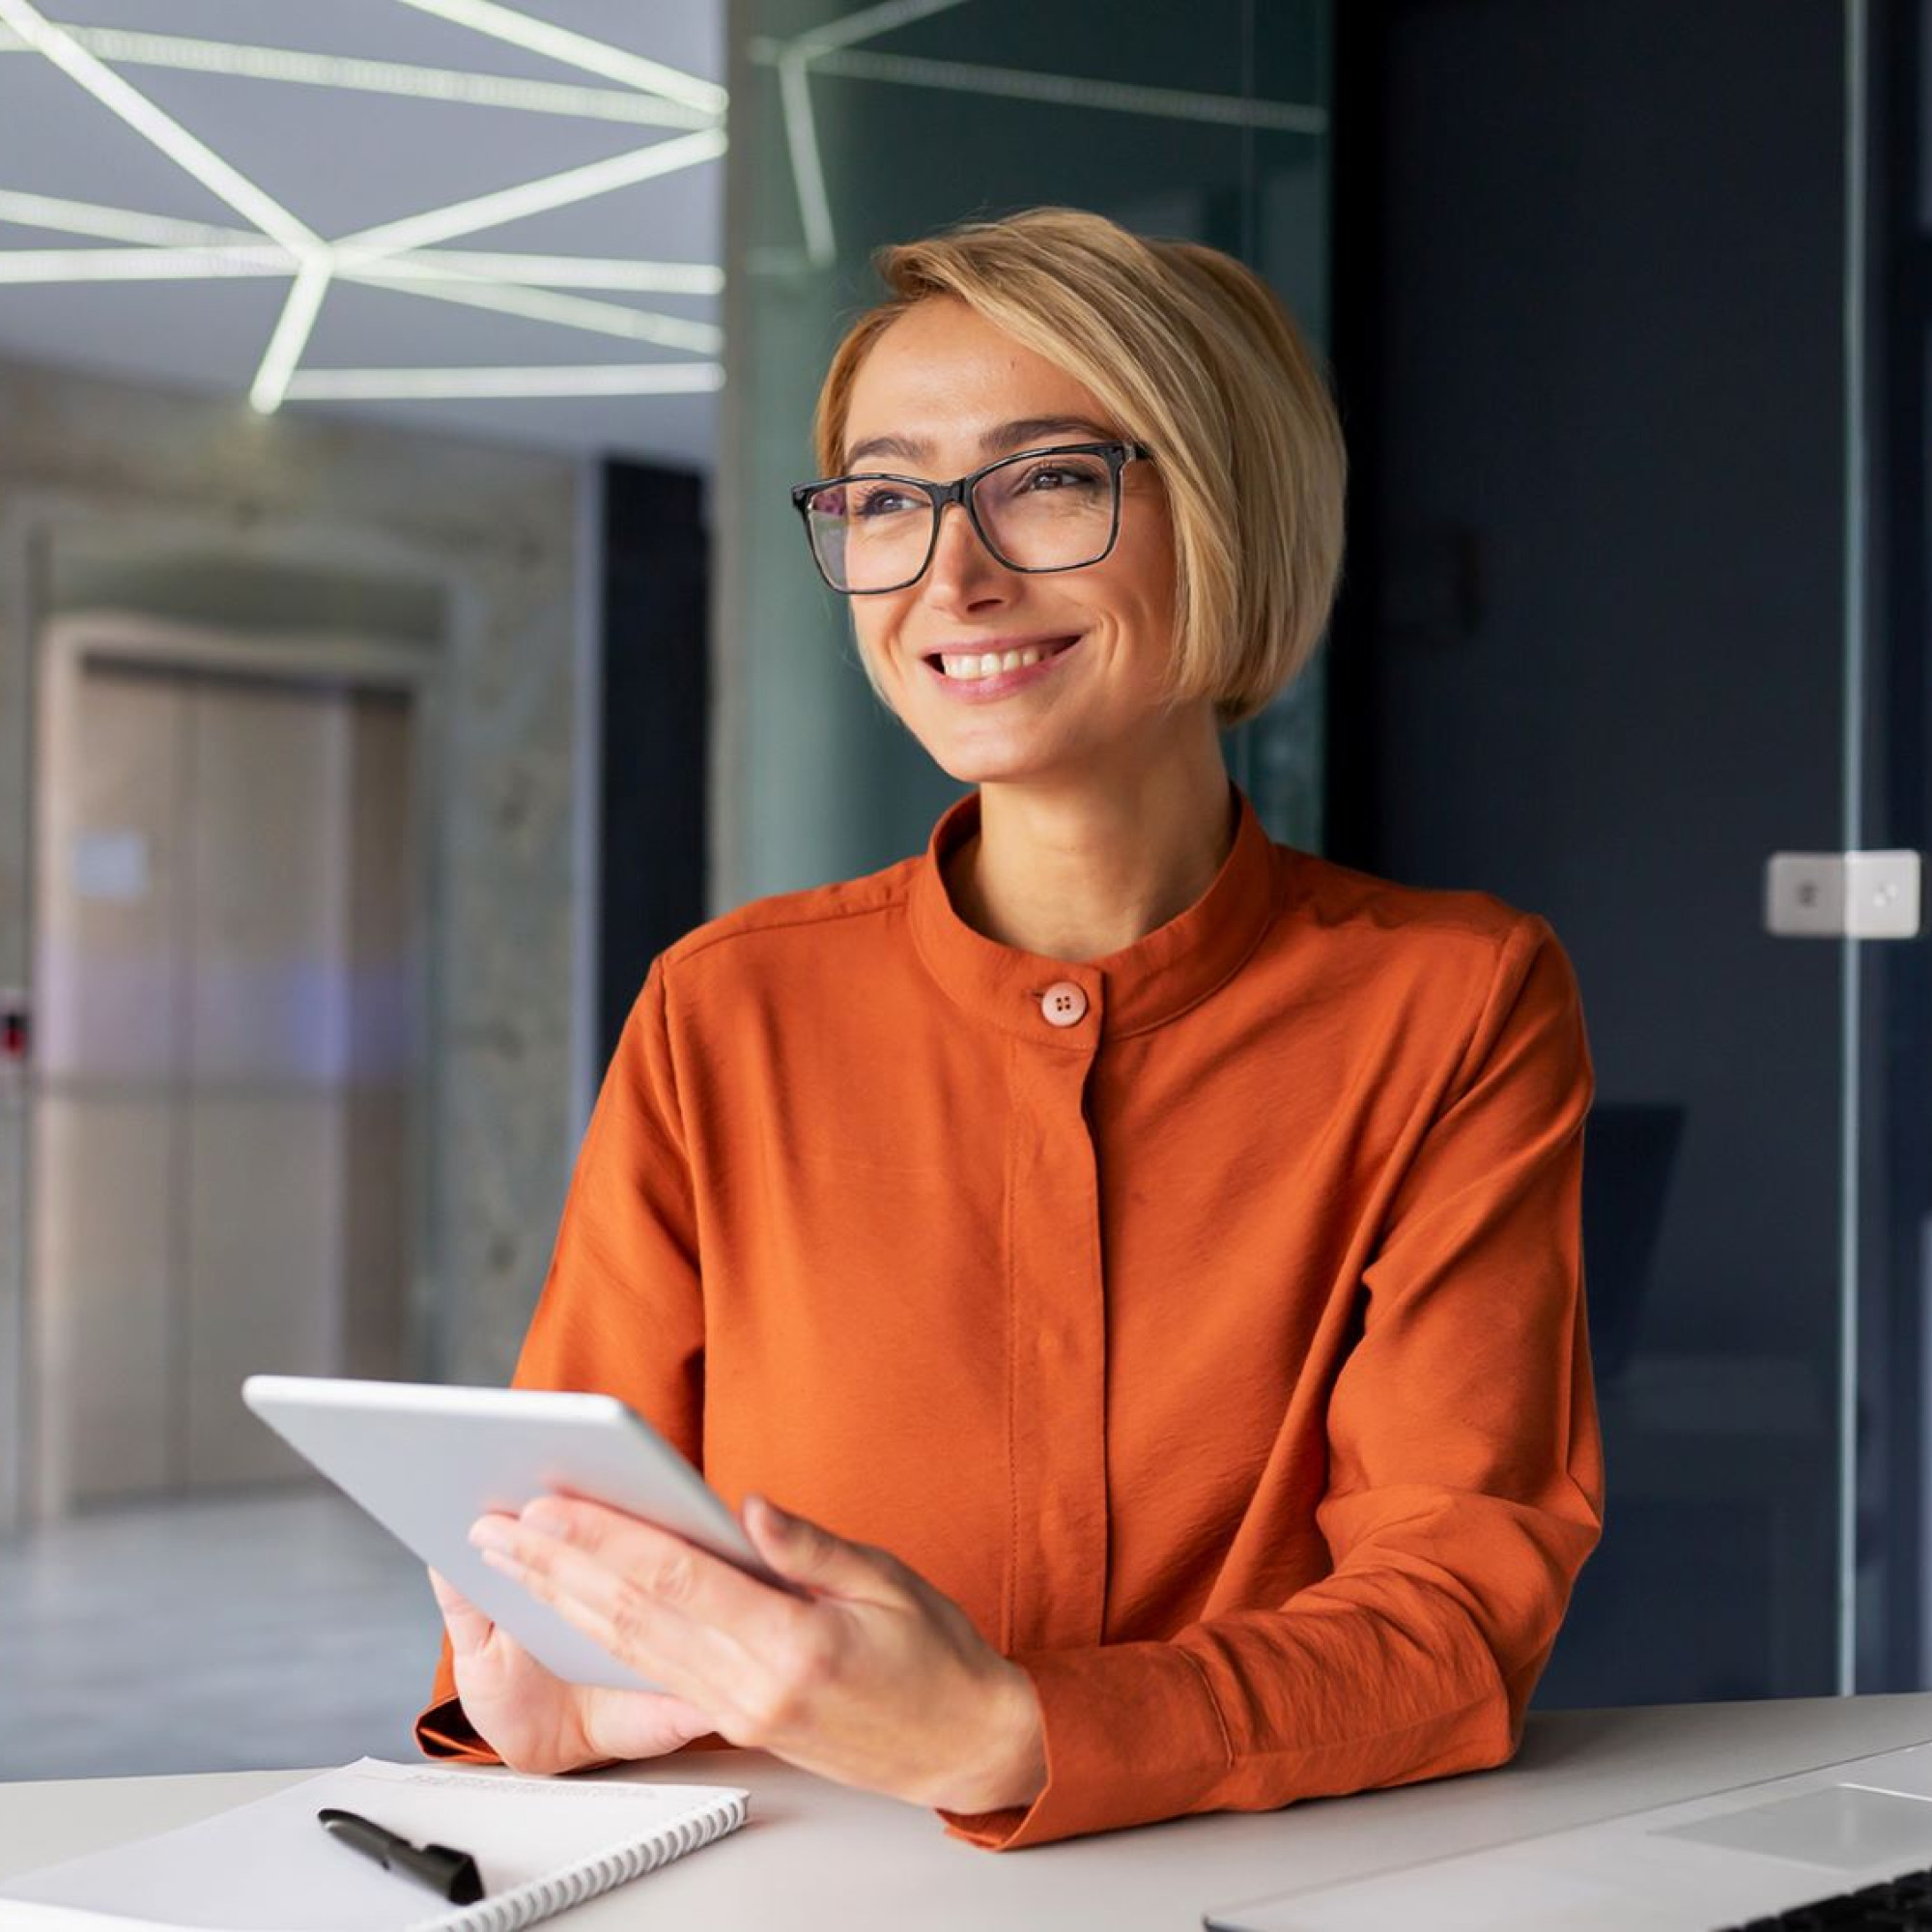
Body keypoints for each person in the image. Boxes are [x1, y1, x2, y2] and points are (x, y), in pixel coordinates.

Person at [416, 206, 1602, 1851]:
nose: (949, 576)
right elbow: (580, 1547)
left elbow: (1453, 1621)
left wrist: (1004, 1733)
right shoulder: (722, 1010)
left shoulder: (1457, 1001)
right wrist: (564, 1693)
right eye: (888, 499)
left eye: (1047, 480)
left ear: (1227, 512)